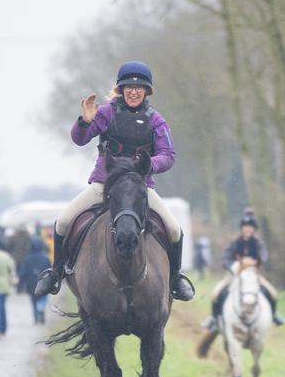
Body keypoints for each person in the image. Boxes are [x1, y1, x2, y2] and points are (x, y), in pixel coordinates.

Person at [33, 61, 195, 302]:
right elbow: (79, 140)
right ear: (120, 89)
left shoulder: (156, 120)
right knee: (63, 221)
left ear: (147, 91)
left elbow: (168, 155)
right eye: (128, 86)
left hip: (140, 186)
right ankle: (56, 273)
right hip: (104, 184)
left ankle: (175, 278)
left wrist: (150, 165)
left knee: (174, 229)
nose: (133, 91)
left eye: (139, 87)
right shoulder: (107, 113)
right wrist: (85, 122)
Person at [205, 211, 284, 331]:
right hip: (235, 275)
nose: (247, 229)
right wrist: (234, 266)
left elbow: (264, 256)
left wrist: (257, 261)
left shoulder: (258, 244)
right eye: (245, 227)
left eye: (250, 227)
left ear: (254, 230)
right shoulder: (235, 243)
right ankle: (214, 319)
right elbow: (226, 258)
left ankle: (273, 316)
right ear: (242, 228)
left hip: (253, 275)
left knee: (273, 293)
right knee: (216, 293)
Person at [18, 237, 51, 325]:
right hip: (44, 283)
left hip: (31, 283)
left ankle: (36, 318)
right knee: (43, 298)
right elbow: (50, 271)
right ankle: (41, 310)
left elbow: (23, 272)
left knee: (33, 301)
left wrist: (20, 284)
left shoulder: (27, 258)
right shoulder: (45, 258)